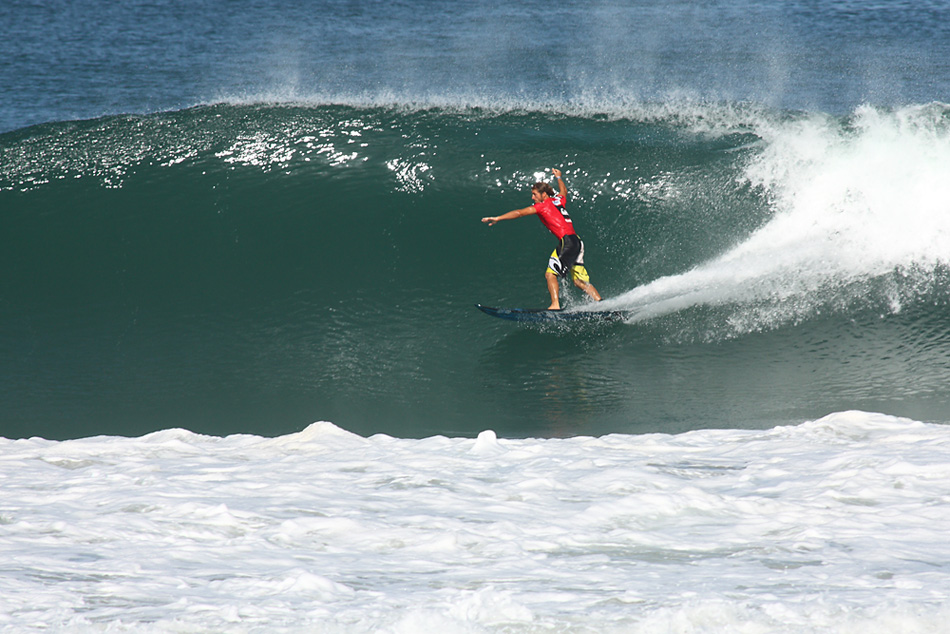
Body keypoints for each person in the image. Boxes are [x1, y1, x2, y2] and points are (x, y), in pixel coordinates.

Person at [482, 168, 602, 310]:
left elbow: (520, 213)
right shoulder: (558, 200)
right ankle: (601, 303)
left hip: (567, 243)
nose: (532, 198)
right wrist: (559, 178)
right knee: (579, 281)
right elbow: (564, 192)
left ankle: (555, 305)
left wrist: (498, 218)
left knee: (550, 274)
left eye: (534, 194)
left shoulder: (541, 207)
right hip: (577, 242)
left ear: (543, 194)